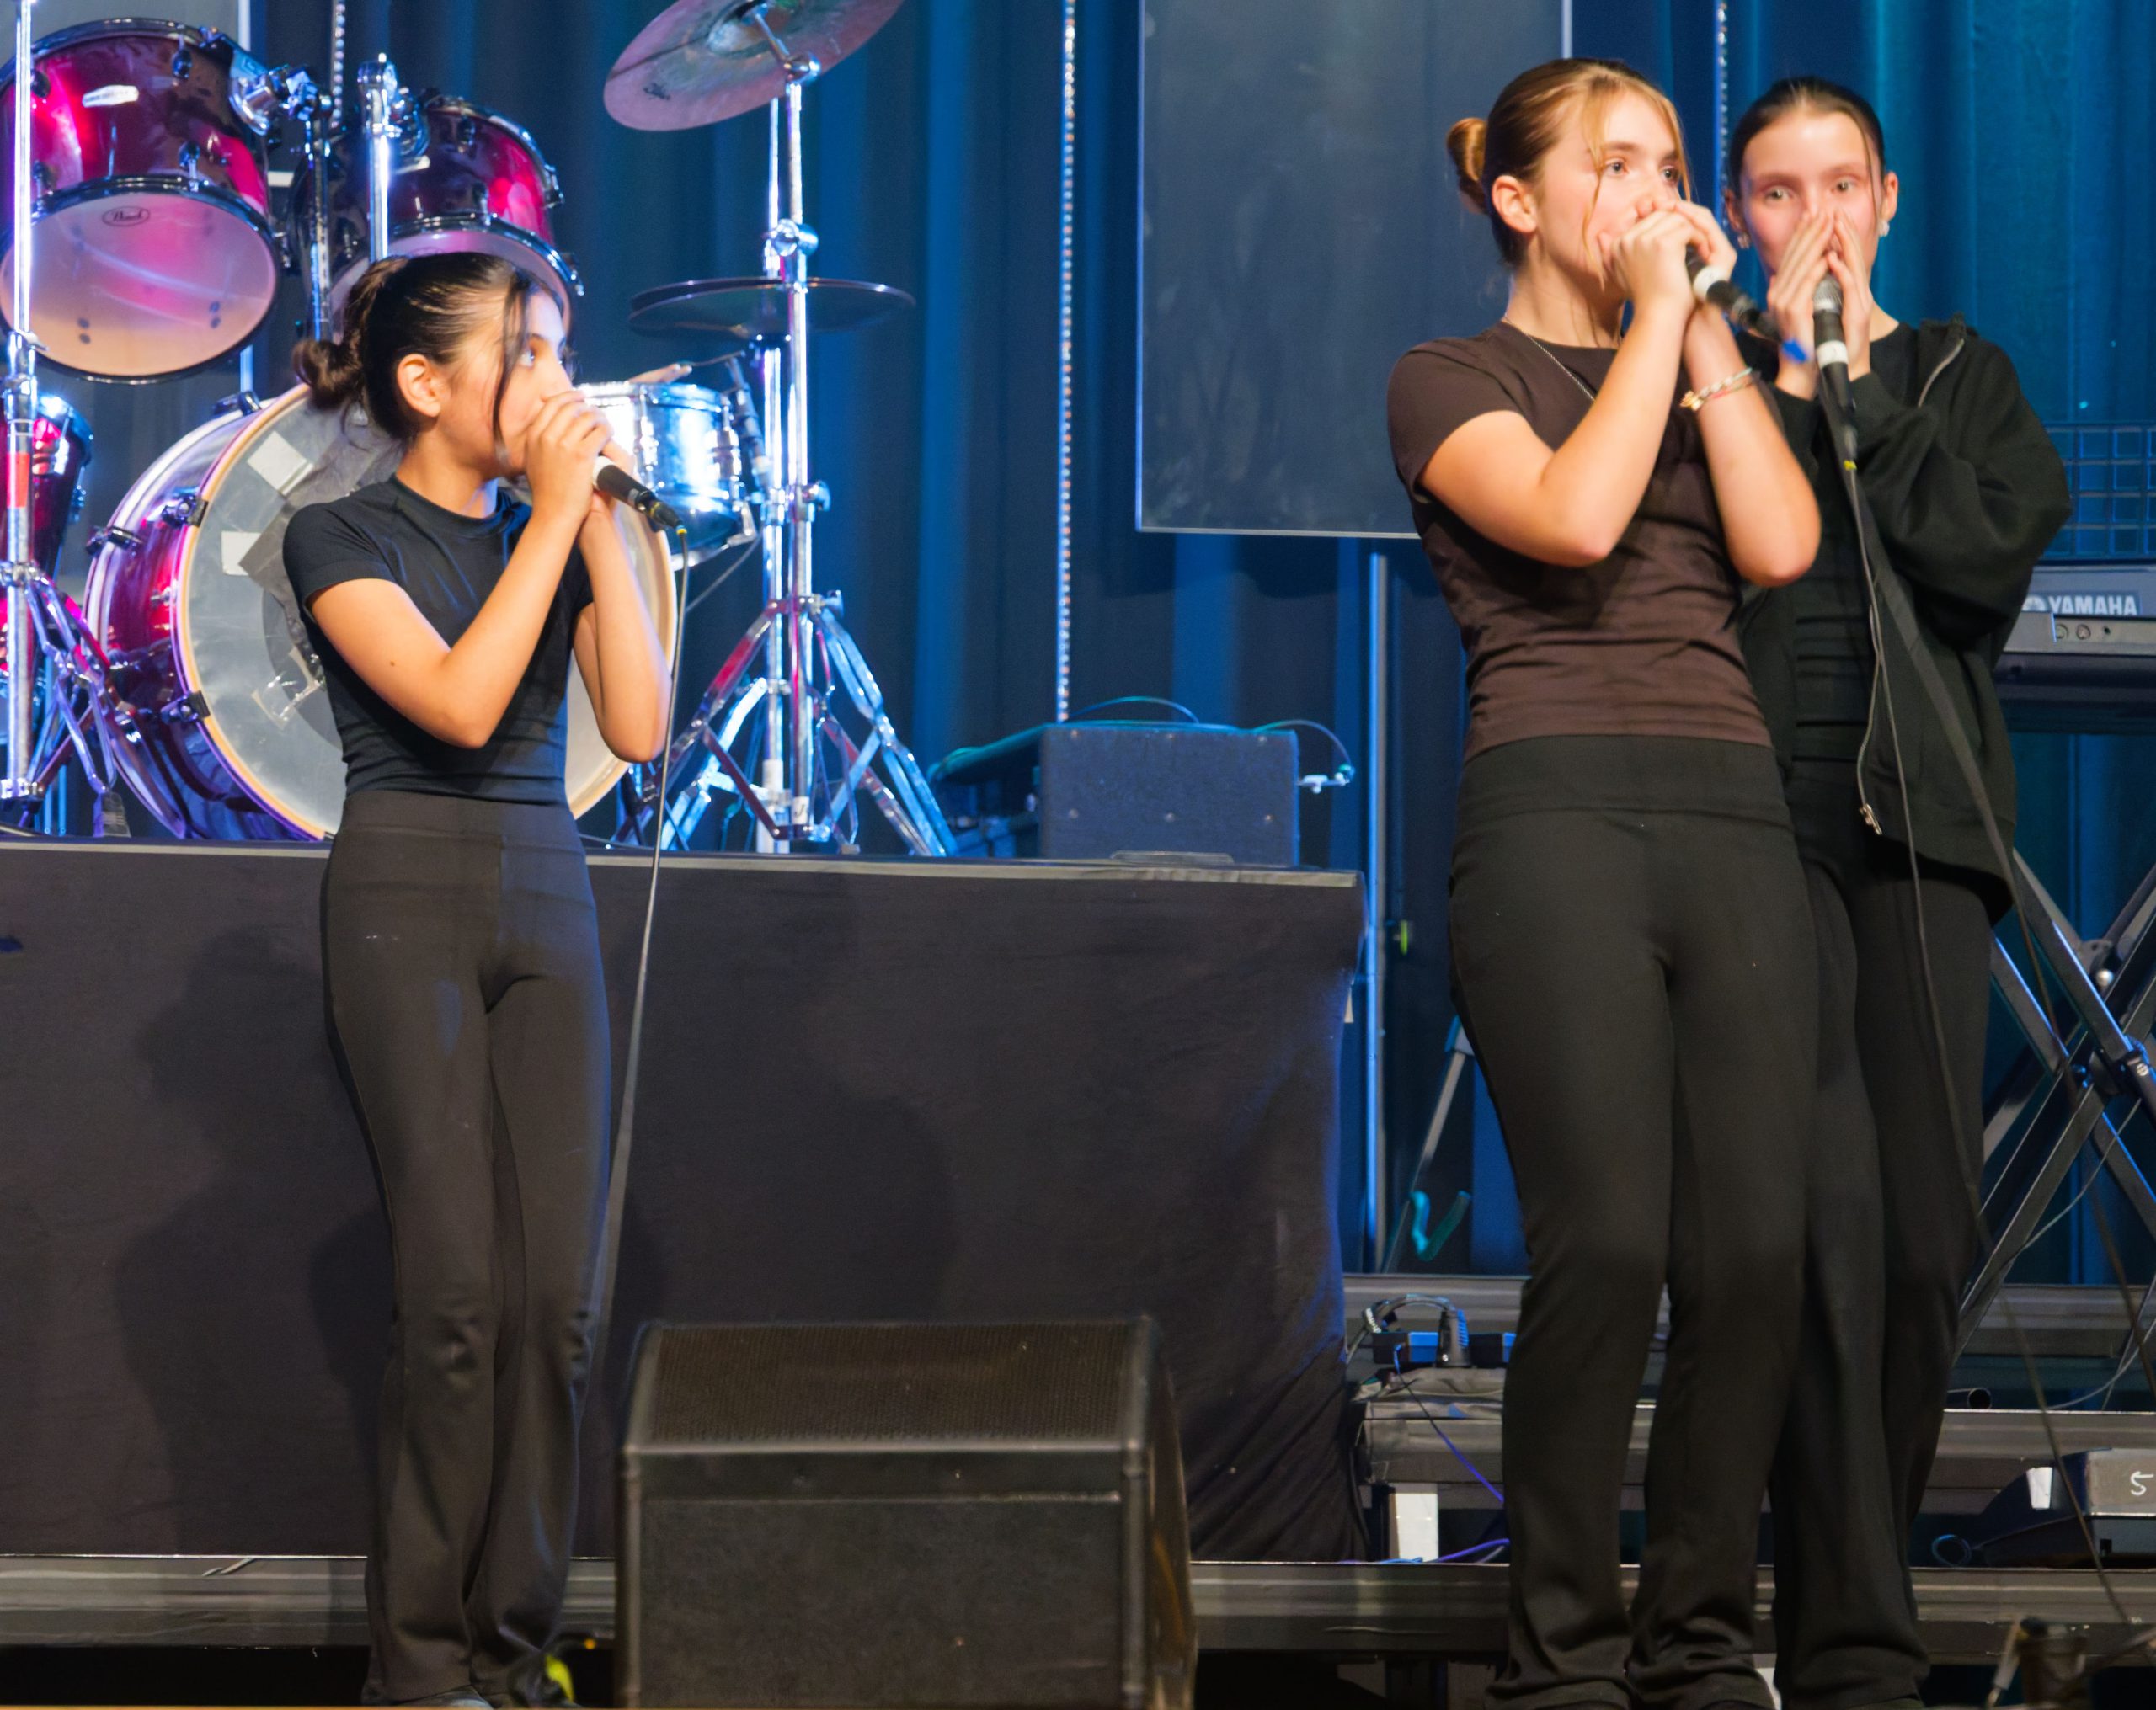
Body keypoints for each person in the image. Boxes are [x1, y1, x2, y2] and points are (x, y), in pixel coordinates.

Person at [1386, 56, 1823, 1710]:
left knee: (1754, 1251)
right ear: (1517, 199)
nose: (1653, 193)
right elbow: (1572, 518)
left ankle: (1700, 1639)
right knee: (1612, 1243)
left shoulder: (1689, 352)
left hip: (1728, 808)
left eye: (1666, 164)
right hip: (1555, 815)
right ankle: (1561, 1651)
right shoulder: (1448, 377)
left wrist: (1702, 330)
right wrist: (1654, 318)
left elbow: (1778, 544)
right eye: (1613, 165)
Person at [1724, 77, 2070, 1710]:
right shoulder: (1708, 372)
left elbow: (1980, 562)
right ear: (1741, 217)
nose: (1814, 220)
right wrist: (1785, 385)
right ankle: (1853, 1655)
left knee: (1925, 1241)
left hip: (1918, 829)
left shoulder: (1951, 373)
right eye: (1778, 192)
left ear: (1887, 201)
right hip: (1750, 830)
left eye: (1839, 186)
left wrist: (1858, 381)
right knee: (1821, 1232)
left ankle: (1839, 1616)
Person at [283, 251, 670, 1708]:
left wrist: (599, 522)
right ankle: (422, 1670)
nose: (558, 385)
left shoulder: (556, 529)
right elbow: (454, 703)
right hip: (406, 892)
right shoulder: (337, 536)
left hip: (544, 891)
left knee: (557, 1312)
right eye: (529, 355)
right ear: (426, 384)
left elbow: (636, 727)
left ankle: (515, 1656)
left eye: (562, 352)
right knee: (452, 1305)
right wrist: (556, 518)